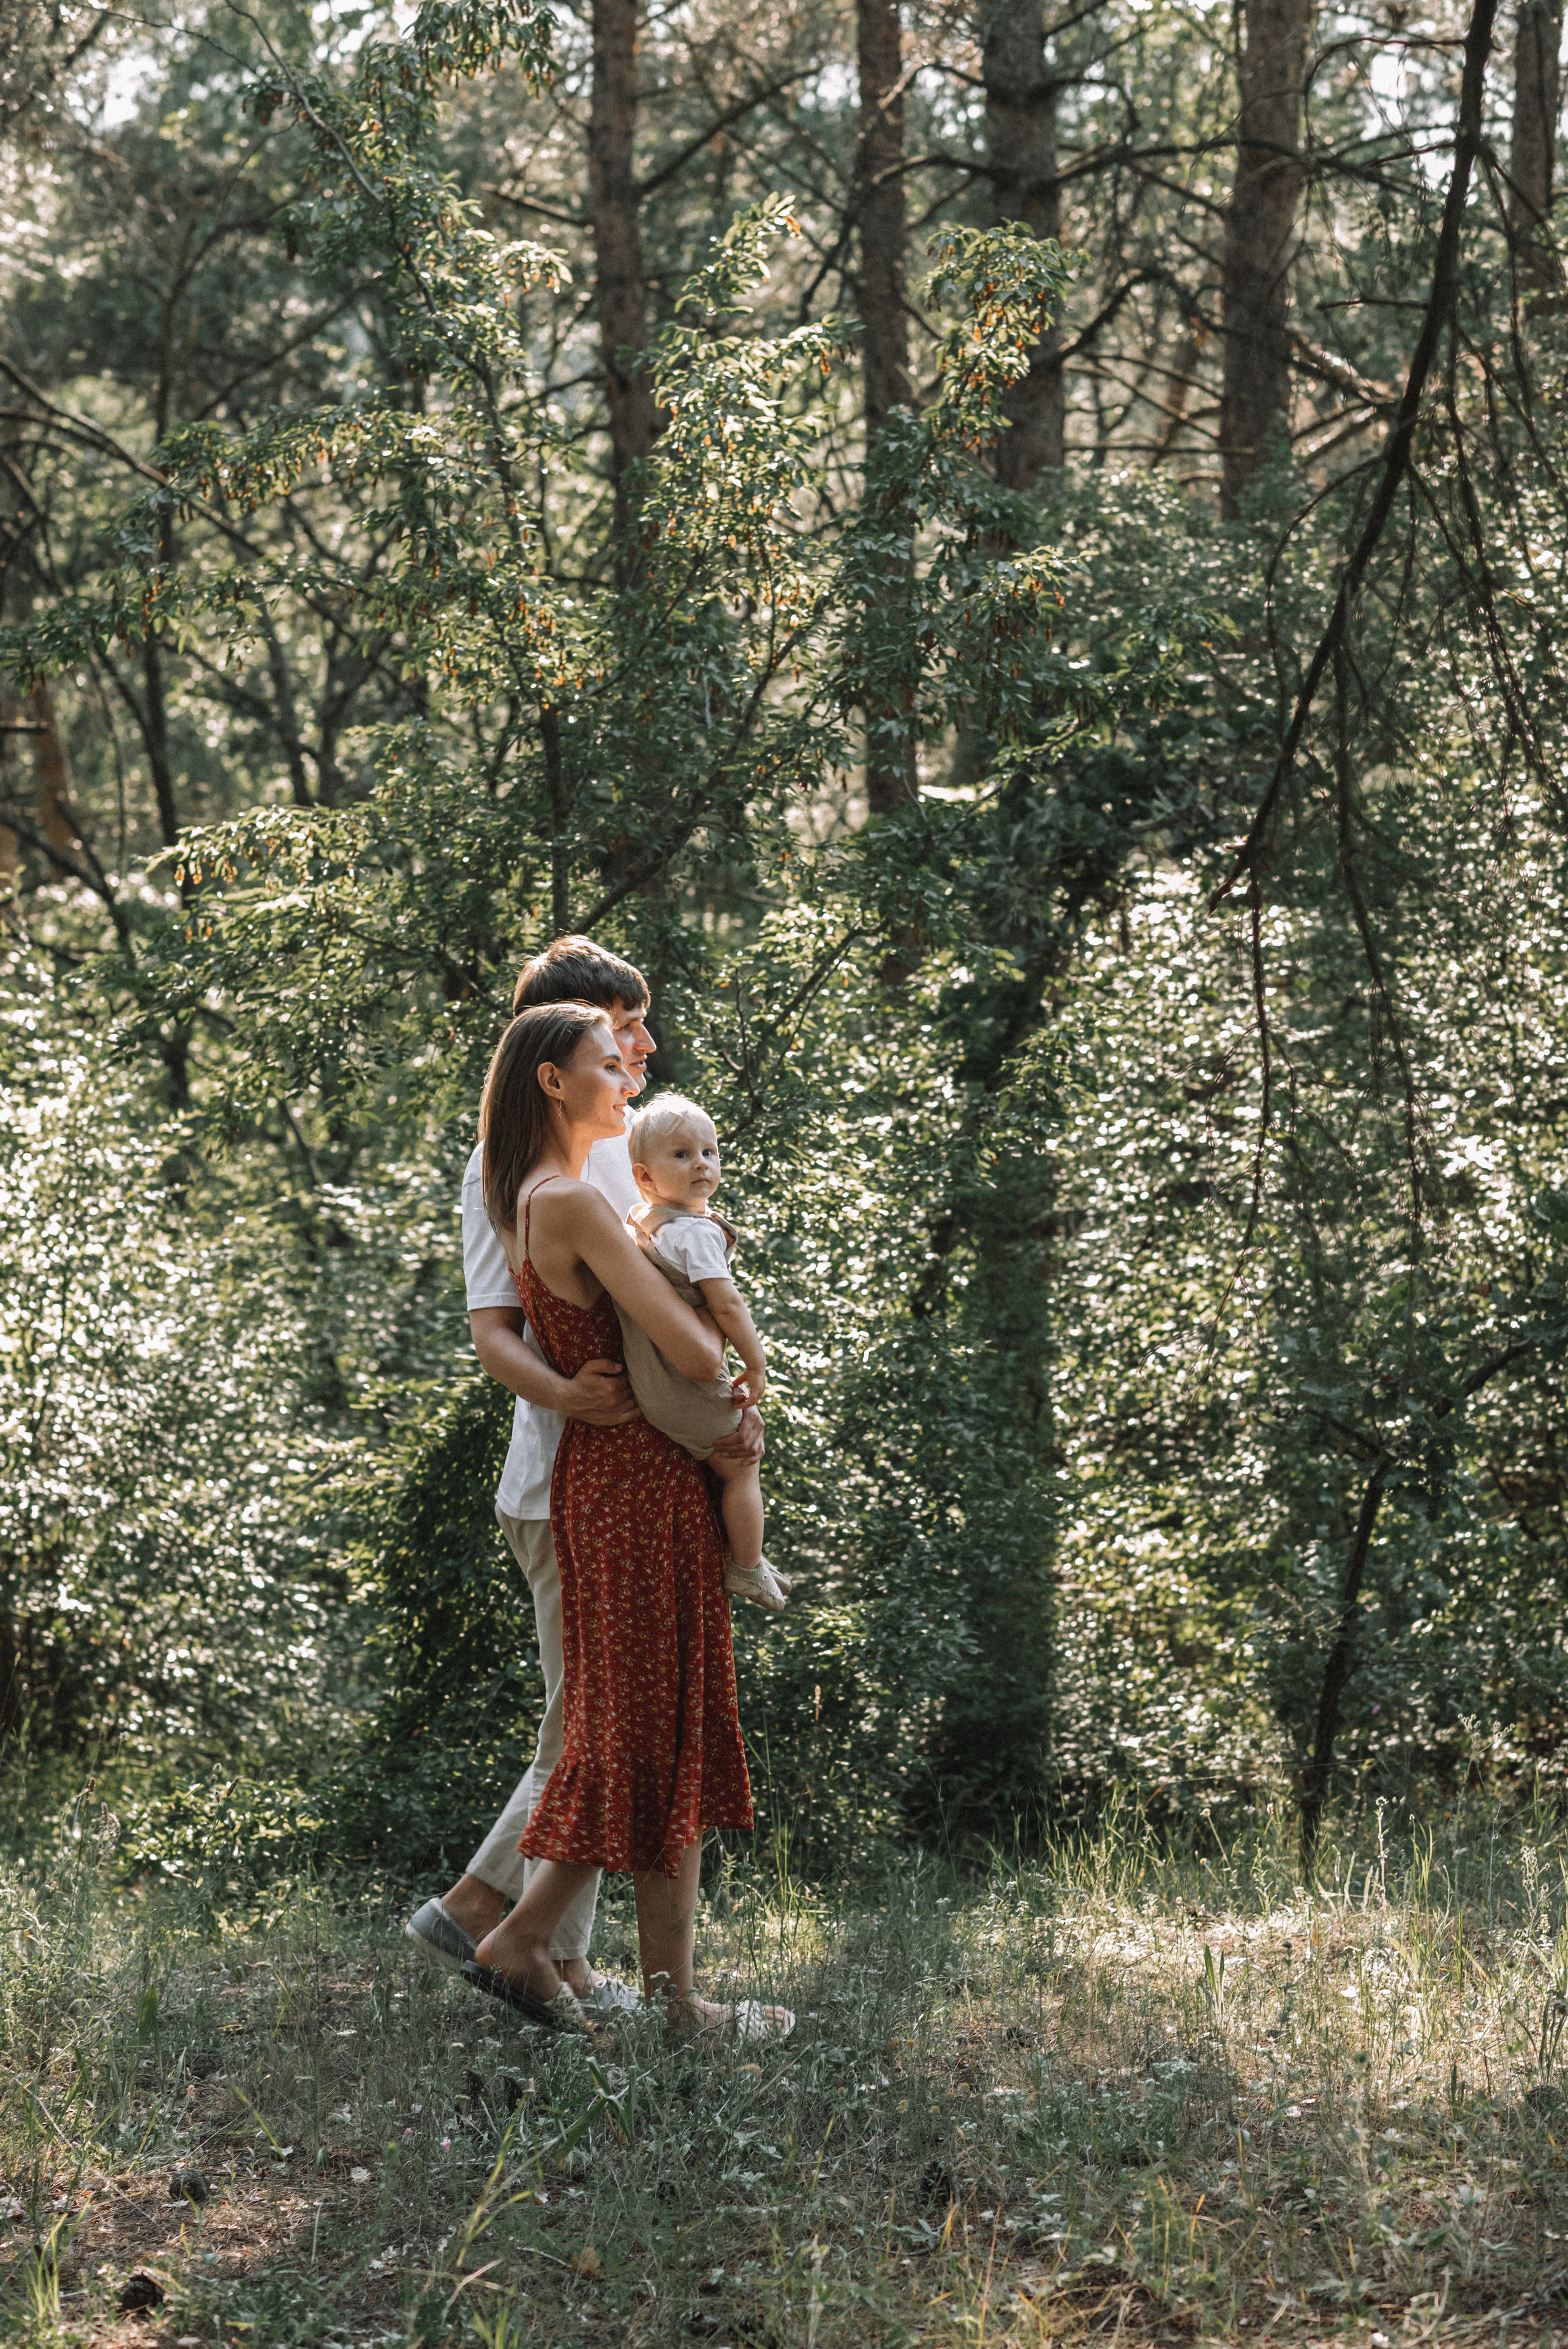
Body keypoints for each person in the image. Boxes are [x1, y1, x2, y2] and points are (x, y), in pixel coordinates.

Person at [403, 937, 764, 2010]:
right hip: (578, 1476)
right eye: (620, 1030)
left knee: (609, 1724)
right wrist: (583, 1392)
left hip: (644, 1466)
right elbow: (498, 1329)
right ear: (558, 1051)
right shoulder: (533, 1172)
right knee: (607, 1730)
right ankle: (496, 1921)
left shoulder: (628, 1149)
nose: (640, 1047)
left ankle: (553, 1951)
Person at [620, 1090, 790, 1614]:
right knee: (743, 1464)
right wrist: (756, 1363)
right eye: (681, 1154)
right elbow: (728, 1306)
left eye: (710, 1152)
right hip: (686, 1385)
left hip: (653, 1383)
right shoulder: (695, 1235)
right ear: (646, 1177)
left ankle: (746, 1551)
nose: (702, 1164)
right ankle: (746, 1566)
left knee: (722, 1463)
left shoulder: (642, 1222)